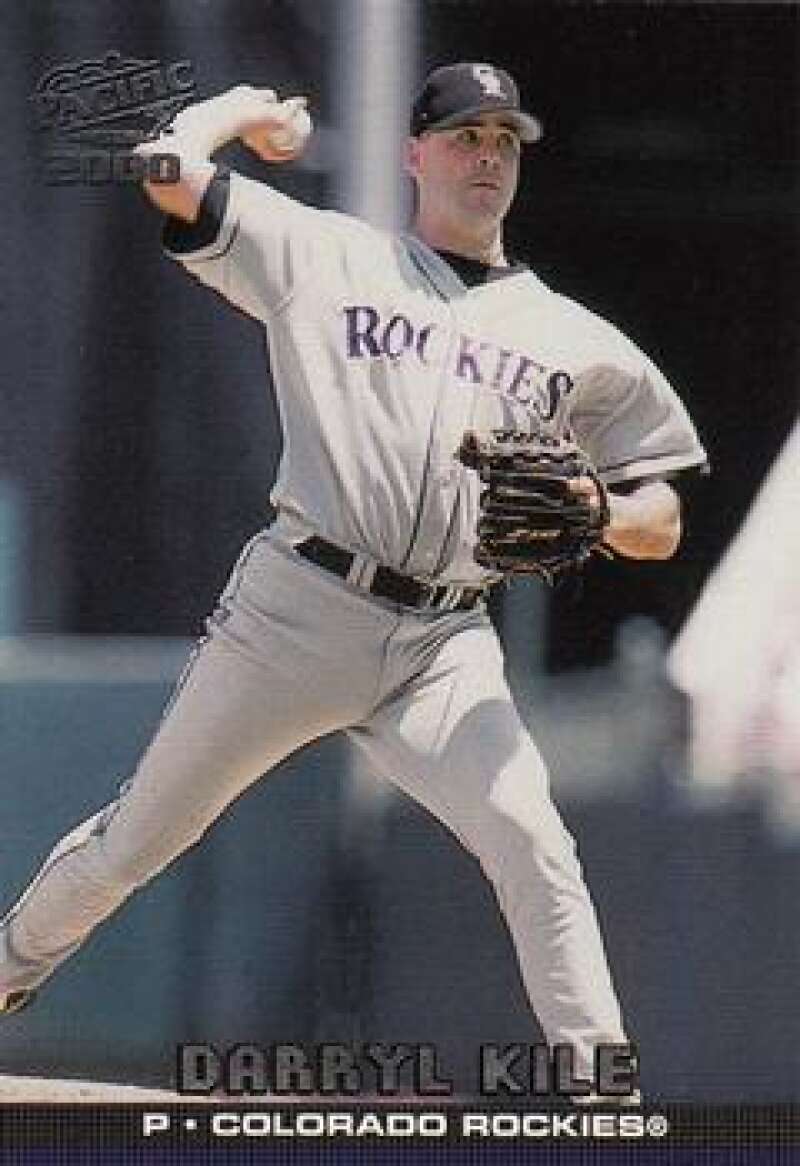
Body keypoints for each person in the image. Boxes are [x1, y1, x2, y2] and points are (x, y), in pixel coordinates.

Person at [0, 63, 706, 1093]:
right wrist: (244, 114)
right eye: (463, 137)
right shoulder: (326, 254)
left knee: (533, 843)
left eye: (503, 141)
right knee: (135, 841)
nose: (485, 158)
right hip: (299, 608)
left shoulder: (577, 341)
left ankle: (603, 1087)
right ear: (414, 153)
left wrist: (601, 511)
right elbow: (163, 167)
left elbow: (664, 520)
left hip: (444, 640)